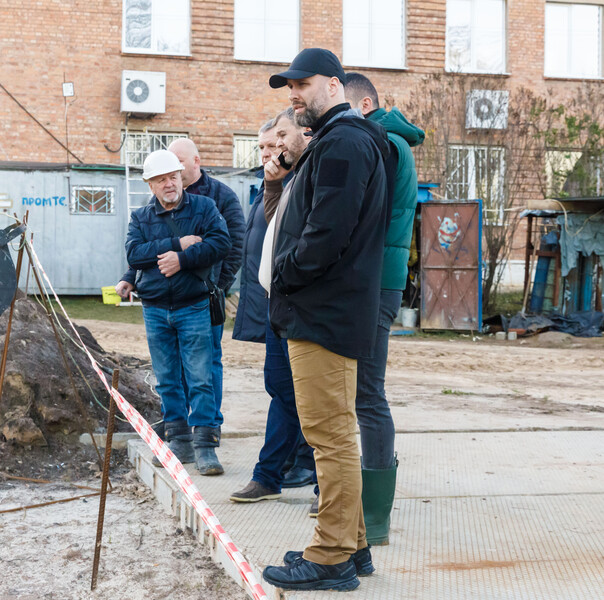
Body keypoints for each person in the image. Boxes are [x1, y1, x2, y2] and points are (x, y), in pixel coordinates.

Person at [259, 48, 390, 592]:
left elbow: (326, 234)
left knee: (329, 435)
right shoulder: (340, 142)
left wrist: (284, 273)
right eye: (289, 86)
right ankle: (352, 545)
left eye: (303, 84)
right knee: (333, 430)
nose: (293, 94)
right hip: (325, 308)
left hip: (323, 310)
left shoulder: (343, 143)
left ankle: (331, 554)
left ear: (334, 85)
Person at [344, 72, 425, 545]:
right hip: (376, 278)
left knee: (368, 394)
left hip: (374, 280)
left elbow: (364, 211)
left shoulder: (386, 143)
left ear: (366, 104)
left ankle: (375, 518)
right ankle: (366, 509)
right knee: (364, 392)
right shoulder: (390, 140)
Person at [117, 138, 245, 434]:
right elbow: (140, 247)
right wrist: (130, 275)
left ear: (193, 163)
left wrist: (214, 286)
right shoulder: (150, 208)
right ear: (152, 184)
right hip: (162, 302)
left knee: (205, 367)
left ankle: (209, 428)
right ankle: (179, 428)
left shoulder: (217, 198)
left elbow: (232, 246)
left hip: (203, 296)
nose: (170, 181)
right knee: (170, 371)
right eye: (161, 178)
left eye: (175, 171)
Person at [229, 109, 316, 503]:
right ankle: (268, 477)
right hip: (276, 302)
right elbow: (273, 227)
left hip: (307, 305)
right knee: (281, 389)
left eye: (282, 136)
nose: (275, 146)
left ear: (304, 135)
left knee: (317, 397)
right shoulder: (288, 177)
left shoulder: (315, 172)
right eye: (270, 140)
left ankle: (323, 485)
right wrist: (272, 185)